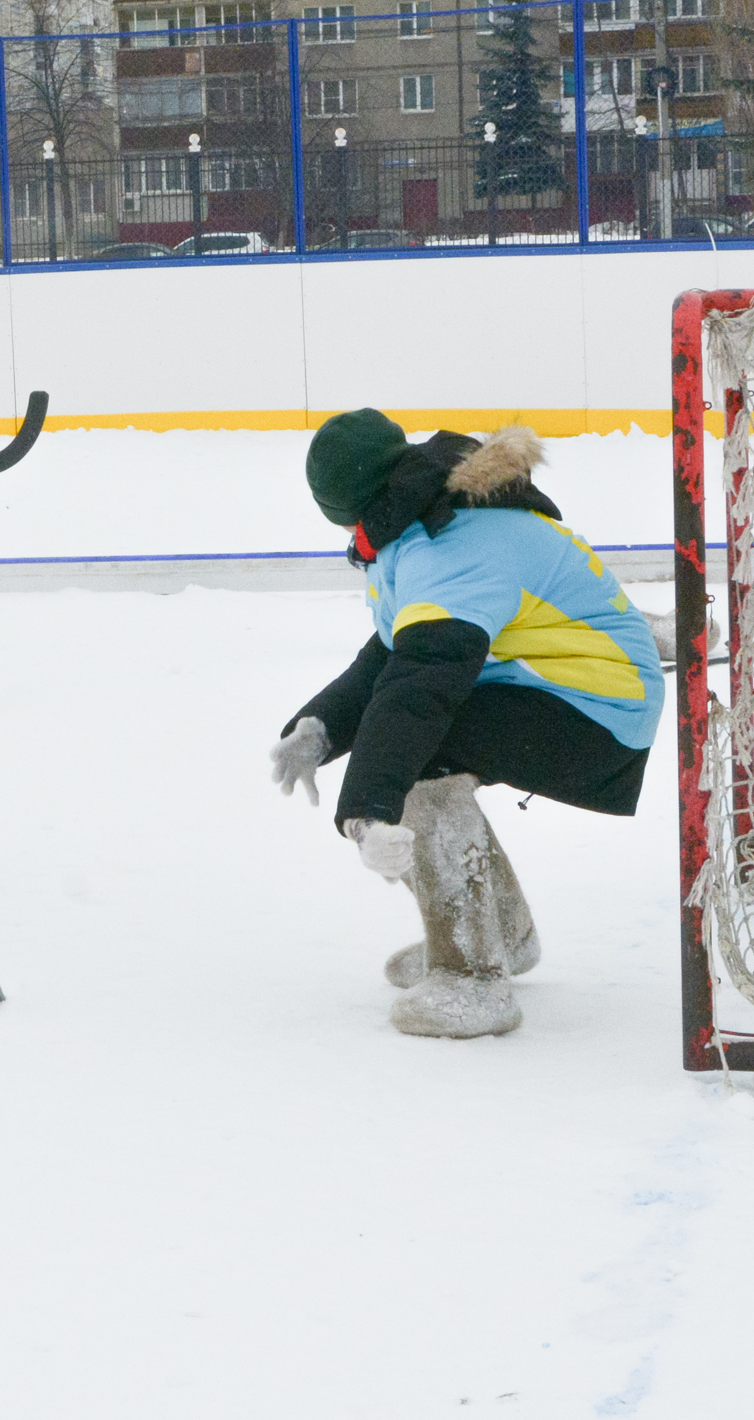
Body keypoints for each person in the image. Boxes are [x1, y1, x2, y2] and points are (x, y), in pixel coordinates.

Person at [270, 414, 661, 1040]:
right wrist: (318, 726)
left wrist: (369, 809)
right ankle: (500, 931)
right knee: (419, 739)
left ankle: (472, 975)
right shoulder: (433, 520)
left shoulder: (449, 547)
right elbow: (392, 653)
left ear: (346, 510)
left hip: (598, 709)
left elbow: (420, 687)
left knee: (426, 754)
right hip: (577, 688)